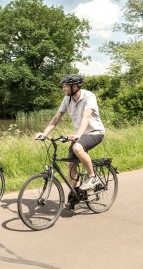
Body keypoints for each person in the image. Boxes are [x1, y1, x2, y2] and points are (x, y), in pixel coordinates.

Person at [35, 74, 105, 209]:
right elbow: (58, 116)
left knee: (78, 148)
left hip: (94, 132)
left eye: (65, 86)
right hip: (80, 135)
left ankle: (92, 176)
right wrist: (45, 133)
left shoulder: (89, 96)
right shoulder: (67, 99)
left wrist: (77, 134)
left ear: (74, 87)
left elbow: (86, 116)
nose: (63, 89)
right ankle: (75, 195)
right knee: (70, 165)